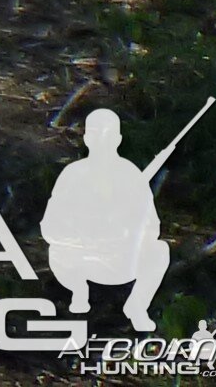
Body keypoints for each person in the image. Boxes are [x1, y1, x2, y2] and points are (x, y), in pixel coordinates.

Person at [44, 110, 173, 331]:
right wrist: (81, 236)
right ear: (86, 138)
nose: (102, 140)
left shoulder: (130, 174)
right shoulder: (73, 174)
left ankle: (137, 306)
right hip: (80, 258)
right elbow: (50, 226)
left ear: (118, 139)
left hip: (119, 259)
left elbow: (153, 226)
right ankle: (78, 294)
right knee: (56, 253)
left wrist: (129, 233)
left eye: (108, 134)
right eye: (96, 134)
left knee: (160, 251)